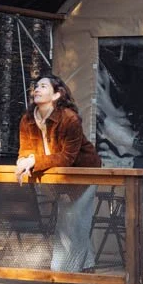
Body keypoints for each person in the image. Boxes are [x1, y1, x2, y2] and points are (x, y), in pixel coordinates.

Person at [15, 75, 101, 271]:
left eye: (43, 86)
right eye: (36, 86)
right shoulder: (28, 119)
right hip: (54, 175)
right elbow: (25, 149)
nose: (36, 89)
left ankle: (63, 273)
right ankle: (87, 267)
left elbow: (67, 157)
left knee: (70, 222)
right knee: (70, 220)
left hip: (84, 173)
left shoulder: (69, 119)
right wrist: (22, 161)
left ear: (57, 94)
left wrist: (34, 161)